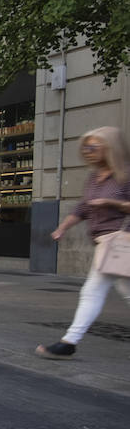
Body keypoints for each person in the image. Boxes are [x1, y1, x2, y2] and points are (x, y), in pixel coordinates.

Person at [37, 127, 130, 359]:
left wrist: (112, 203)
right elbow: (82, 208)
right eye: (85, 147)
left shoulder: (126, 175)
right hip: (106, 243)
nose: (87, 151)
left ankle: (69, 342)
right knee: (117, 290)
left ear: (111, 147)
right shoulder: (94, 177)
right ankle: (69, 341)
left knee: (92, 291)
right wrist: (62, 228)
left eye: (93, 147)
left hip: (120, 242)